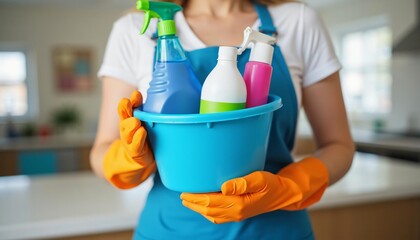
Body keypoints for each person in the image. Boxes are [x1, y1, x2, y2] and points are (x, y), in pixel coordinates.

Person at [90, 0, 355, 239]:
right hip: (170, 230)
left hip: (278, 229)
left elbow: (339, 145)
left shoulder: (298, 21)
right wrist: (129, 159)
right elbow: (101, 150)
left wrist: (290, 187)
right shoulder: (135, 28)